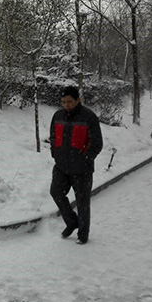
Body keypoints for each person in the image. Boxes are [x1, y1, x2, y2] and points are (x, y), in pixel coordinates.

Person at [49, 86, 103, 245]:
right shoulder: (57, 116)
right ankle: (72, 222)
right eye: (63, 102)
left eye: (69, 102)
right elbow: (53, 136)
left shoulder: (89, 117)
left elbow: (97, 143)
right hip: (61, 166)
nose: (66, 105)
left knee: (82, 202)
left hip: (82, 169)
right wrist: (55, 152)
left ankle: (83, 234)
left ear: (77, 100)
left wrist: (85, 158)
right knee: (56, 193)